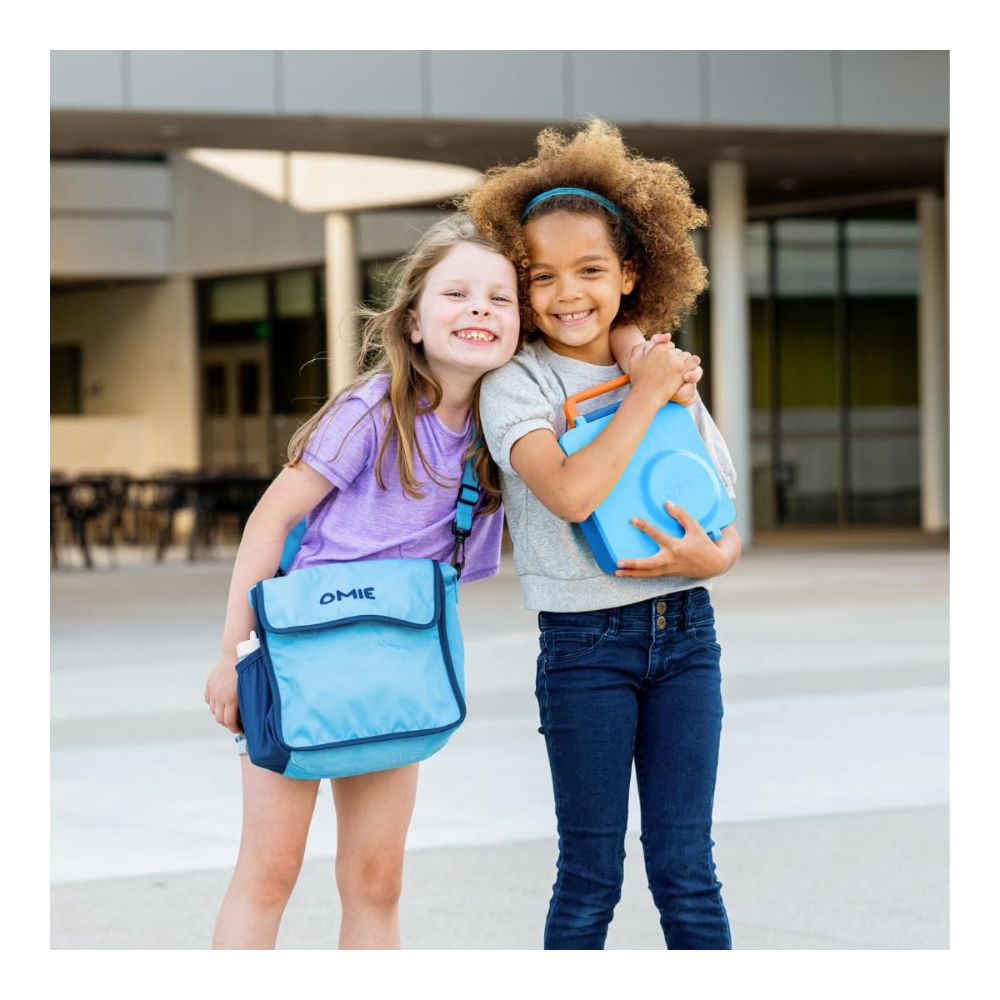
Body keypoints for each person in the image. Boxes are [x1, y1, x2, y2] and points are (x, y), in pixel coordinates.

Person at [202, 214, 521, 949]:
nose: (479, 308)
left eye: (500, 299)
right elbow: (267, 521)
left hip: (394, 671)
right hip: (295, 665)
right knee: (270, 872)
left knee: (377, 882)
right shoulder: (372, 409)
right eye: (457, 293)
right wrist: (232, 654)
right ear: (412, 322)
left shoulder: (497, 435)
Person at [461, 119, 742, 949]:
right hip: (585, 649)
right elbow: (573, 494)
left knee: (687, 868)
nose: (566, 293)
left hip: (688, 636)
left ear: (629, 273)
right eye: (540, 276)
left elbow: (721, 511)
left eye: (589, 270)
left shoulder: (656, 364)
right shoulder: (516, 382)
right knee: (590, 874)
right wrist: (646, 391)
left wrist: (715, 560)